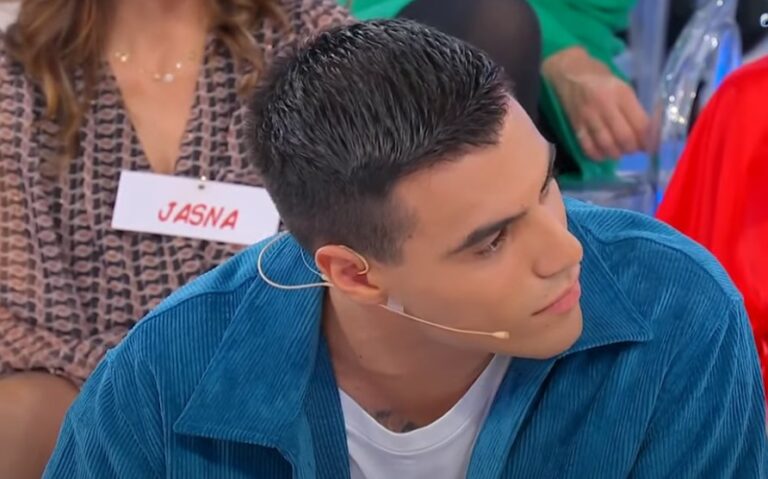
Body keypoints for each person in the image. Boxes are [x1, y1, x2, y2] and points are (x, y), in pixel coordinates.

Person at [45, 19, 766, 478]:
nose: (565, 252)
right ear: (354, 274)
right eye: (492, 240)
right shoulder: (164, 378)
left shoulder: (678, 308)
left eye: (546, 186)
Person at [0, 0, 348, 478]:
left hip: (282, 370)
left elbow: (361, 244)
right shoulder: (20, 77)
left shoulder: (315, 42)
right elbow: (17, 317)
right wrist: (139, 386)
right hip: (78, 386)